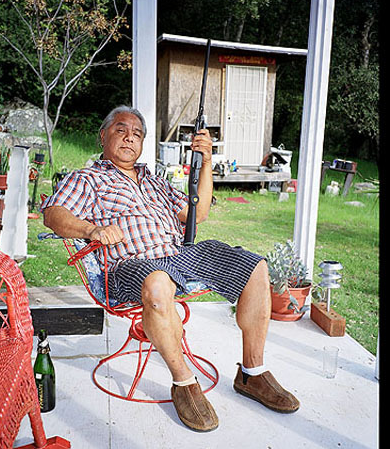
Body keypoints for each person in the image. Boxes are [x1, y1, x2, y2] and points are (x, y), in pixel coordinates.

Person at [41, 105, 300, 432]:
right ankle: (184, 382)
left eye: (137, 133)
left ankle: (252, 373)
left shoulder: (156, 181)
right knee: (158, 284)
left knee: (255, 267)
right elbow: (53, 214)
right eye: (121, 129)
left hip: (178, 254)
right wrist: (91, 230)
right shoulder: (89, 178)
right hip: (130, 263)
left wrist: (205, 161)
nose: (129, 137)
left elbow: (198, 212)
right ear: (103, 135)